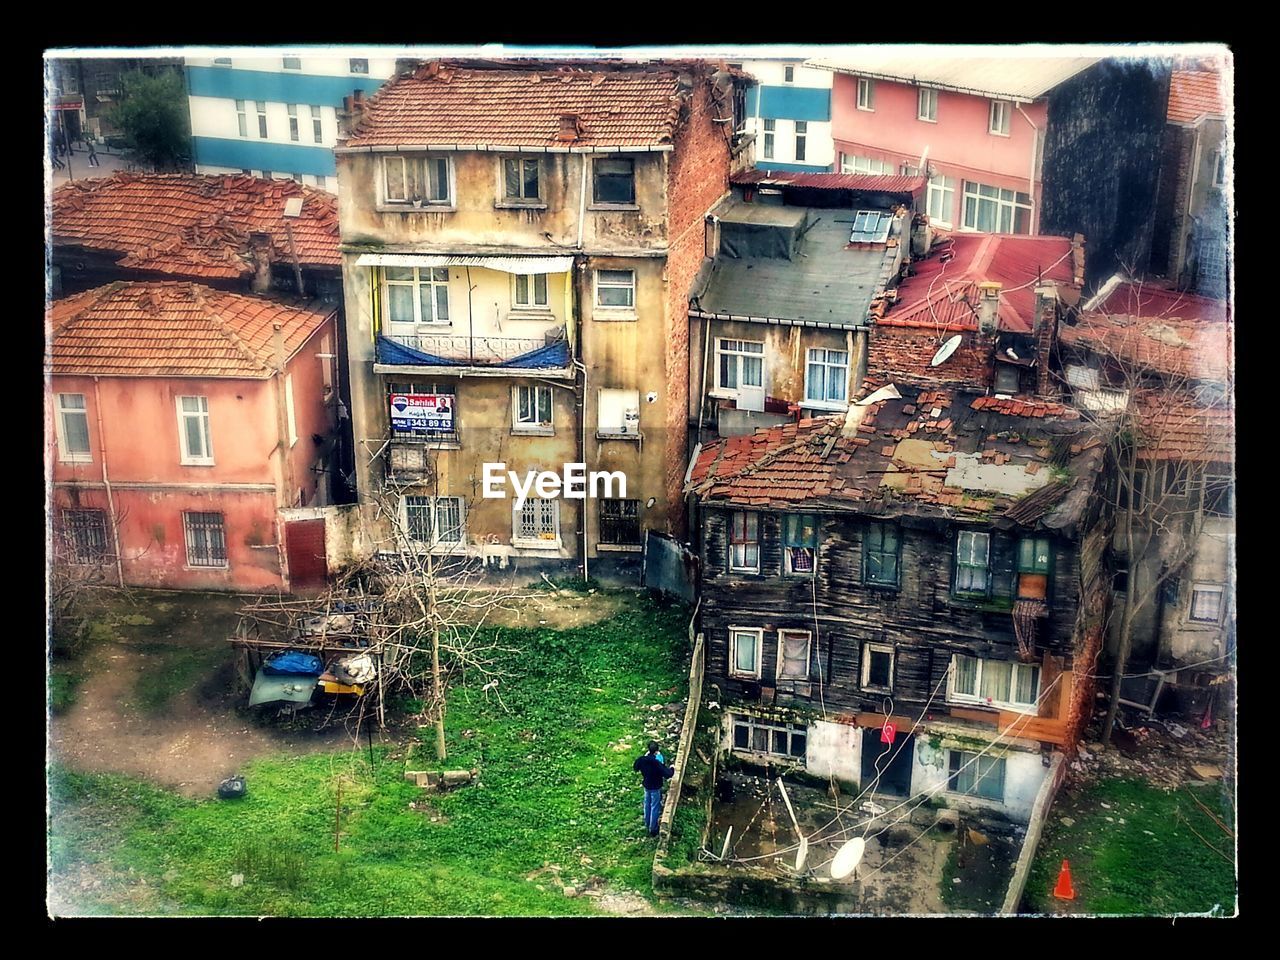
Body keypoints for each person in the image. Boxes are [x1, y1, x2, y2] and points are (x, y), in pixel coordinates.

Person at [633, 740, 674, 837]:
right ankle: (653, 829)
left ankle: (647, 823)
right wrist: (672, 768)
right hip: (655, 787)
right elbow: (668, 774)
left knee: (647, 804)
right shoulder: (656, 763)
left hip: (646, 785)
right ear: (656, 751)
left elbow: (635, 767)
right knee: (655, 806)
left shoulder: (642, 759)